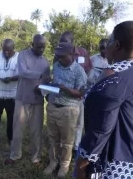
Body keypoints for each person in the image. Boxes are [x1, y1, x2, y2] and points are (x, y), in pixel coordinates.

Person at [74, 21, 133, 179]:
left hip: (120, 166)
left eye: (108, 42)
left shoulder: (114, 77)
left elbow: (100, 130)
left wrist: (82, 163)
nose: (106, 46)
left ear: (116, 45)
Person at [5, 34, 50, 165]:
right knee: (18, 128)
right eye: (38, 47)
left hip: (37, 99)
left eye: (43, 47)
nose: (41, 50)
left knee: (37, 130)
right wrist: (40, 75)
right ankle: (14, 155)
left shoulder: (45, 61)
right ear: (32, 44)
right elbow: (23, 72)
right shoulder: (23, 55)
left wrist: (43, 86)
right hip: (23, 98)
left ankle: (35, 157)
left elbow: (47, 79)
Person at [44, 42, 87, 178]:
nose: (60, 59)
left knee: (67, 142)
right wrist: (48, 86)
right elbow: (53, 81)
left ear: (71, 55)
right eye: (58, 57)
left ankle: (64, 165)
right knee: (52, 138)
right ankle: (53, 162)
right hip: (52, 107)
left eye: (63, 57)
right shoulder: (56, 66)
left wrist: (65, 88)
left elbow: (80, 93)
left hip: (68, 110)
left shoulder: (79, 71)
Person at [55, 31, 90, 158]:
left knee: (79, 122)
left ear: (72, 43)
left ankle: (76, 147)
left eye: (65, 42)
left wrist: (82, 81)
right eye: (61, 42)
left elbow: (88, 68)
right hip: (64, 95)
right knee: (67, 124)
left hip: (79, 91)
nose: (62, 45)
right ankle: (63, 147)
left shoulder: (83, 52)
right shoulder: (59, 54)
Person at [0, 39, 19, 146]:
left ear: (13, 48)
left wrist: (11, 78)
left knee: (12, 118)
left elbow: (21, 75)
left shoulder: (19, 57)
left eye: (8, 51)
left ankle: (11, 139)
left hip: (13, 94)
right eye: (4, 50)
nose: (6, 53)